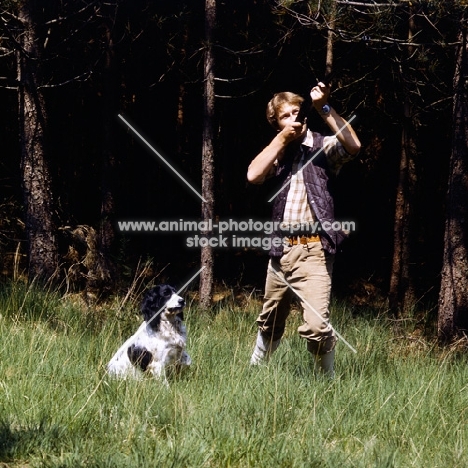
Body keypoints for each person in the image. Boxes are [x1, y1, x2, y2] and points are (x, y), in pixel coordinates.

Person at [247, 82, 361, 378]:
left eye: (296, 112)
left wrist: (325, 106)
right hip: (280, 252)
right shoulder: (279, 154)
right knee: (270, 322)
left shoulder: (322, 146)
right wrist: (281, 141)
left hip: (314, 251)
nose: (293, 119)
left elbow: (353, 145)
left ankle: (326, 383)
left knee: (315, 326)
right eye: (285, 116)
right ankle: (254, 375)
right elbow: (253, 175)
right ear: (276, 123)